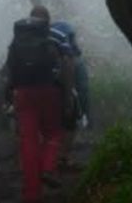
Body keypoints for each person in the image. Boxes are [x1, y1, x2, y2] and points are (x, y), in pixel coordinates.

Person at [4, 5, 69, 202]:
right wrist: (66, 96)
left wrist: (9, 98)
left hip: (22, 94)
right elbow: (65, 67)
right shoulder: (54, 40)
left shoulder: (16, 43)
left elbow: (8, 71)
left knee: (28, 142)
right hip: (49, 93)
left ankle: (32, 195)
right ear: (47, 23)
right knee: (53, 133)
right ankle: (48, 168)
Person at [49, 21, 91, 169]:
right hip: (63, 94)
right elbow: (83, 88)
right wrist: (85, 112)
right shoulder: (73, 57)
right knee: (69, 124)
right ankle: (62, 157)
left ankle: (47, 158)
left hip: (41, 95)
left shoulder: (43, 47)